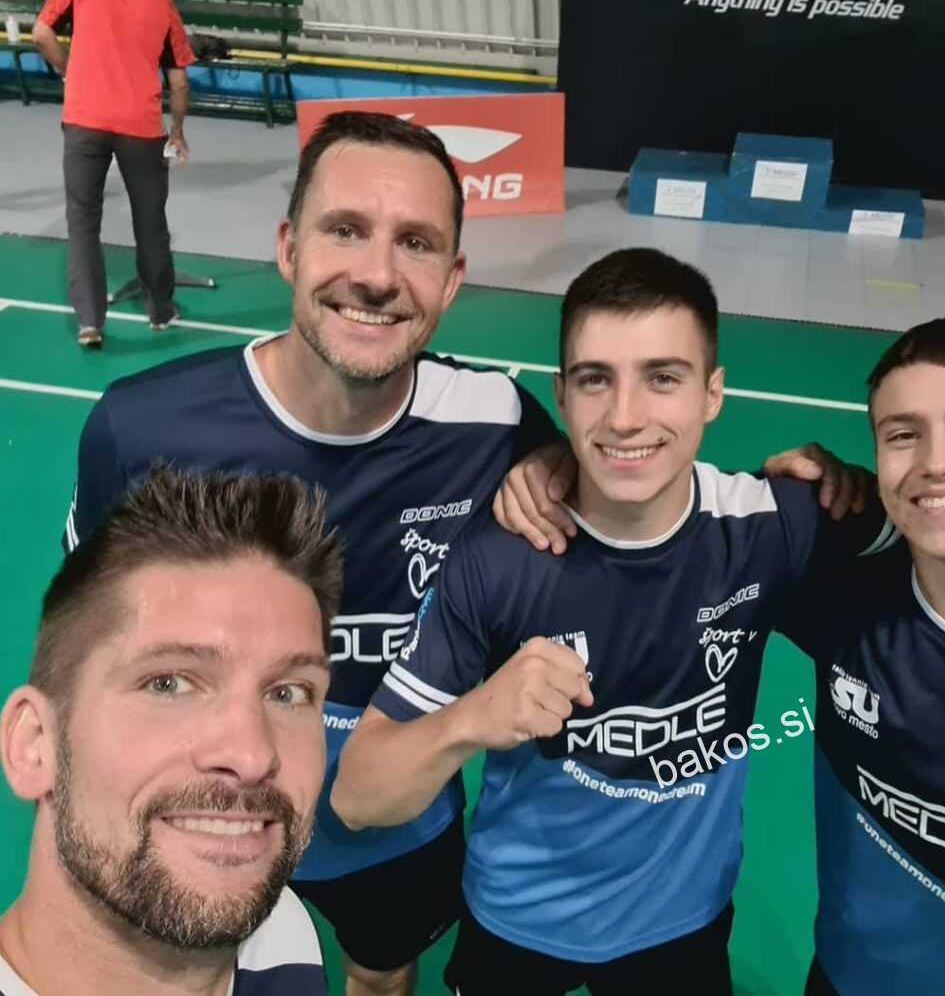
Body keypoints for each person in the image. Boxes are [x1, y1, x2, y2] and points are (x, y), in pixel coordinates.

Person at [62, 110, 569, 996]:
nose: (376, 275)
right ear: (289, 248)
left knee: (382, 977)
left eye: (415, 243)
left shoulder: (497, 424)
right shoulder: (141, 430)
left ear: (452, 280)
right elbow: (86, 646)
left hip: (394, 830)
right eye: (345, 230)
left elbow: (630, 491)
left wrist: (802, 484)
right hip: (201, 817)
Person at [334, 248, 895, 995]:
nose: (625, 418)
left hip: (682, 924)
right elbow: (359, 797)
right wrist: (474, 717)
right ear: (562, 396)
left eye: (663, 378)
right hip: (515, 917)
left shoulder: (775, 523)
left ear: (713, 393)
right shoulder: (501, 558)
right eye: (596, 379)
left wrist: (857, 483)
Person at [0, 465, 341, 995]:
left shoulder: (282, 935)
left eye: (288, 693)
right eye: (169, 684)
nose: (252, 756)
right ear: (34, 745)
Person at [778, 319, 945, 996]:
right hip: (846, 979)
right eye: (903, 435)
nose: (936, 461)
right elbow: (670, 550)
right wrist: (774, 499)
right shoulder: (846, 596)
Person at [32, 0, 194, 348]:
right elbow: (179, 83)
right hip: (141, 128)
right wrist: (178, 130)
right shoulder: (161, 1)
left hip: (84, 121)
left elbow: (41, 34)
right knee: (150, 222)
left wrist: (71, 73)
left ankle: (89, 322)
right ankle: (161, 311)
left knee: (82, 222)